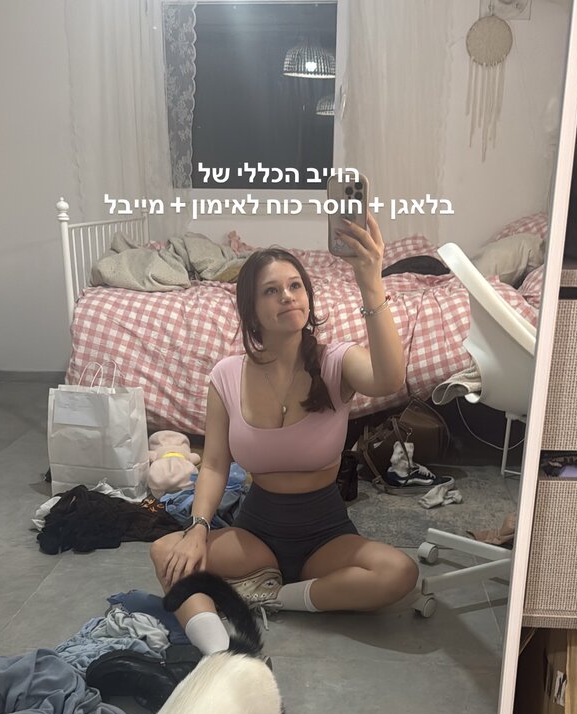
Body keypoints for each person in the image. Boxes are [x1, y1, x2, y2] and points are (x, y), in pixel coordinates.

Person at [150, 213, 419, 656]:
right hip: (256, 534)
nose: (288, 296)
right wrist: (198, 528)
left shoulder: (337, 361)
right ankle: (221, 655)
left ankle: (276, 598)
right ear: (251, 310)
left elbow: (389, 379)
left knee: (400, 573)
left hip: (326, 535)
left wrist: (370, 281)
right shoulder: (227, 375)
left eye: (295, 286)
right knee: (166, 551)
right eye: (271, 291)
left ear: (308, 297)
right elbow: (214, 464)